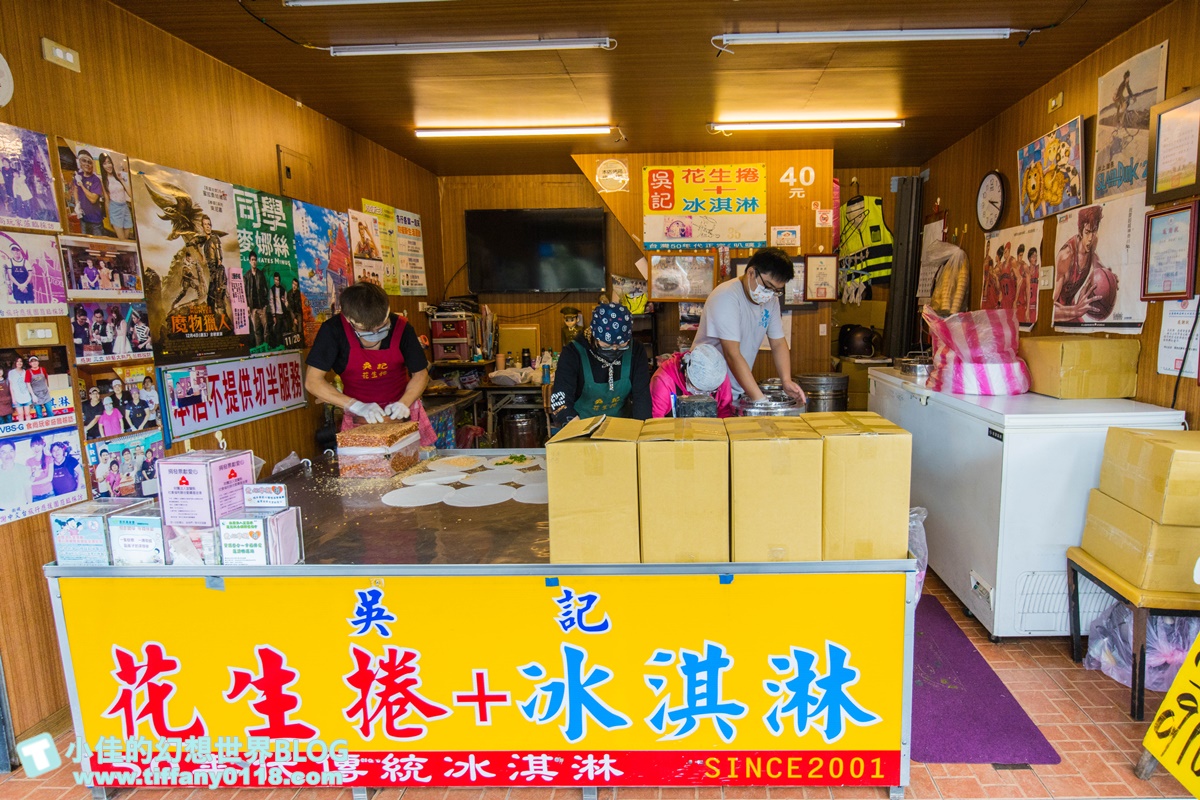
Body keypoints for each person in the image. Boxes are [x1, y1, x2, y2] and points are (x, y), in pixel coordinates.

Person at [304, 281, 429, 429]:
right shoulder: (333, 331)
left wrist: (404, 402)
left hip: (403, 413)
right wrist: (356, 406)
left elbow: (421, 374)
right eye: (366, 331)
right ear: (349, 319)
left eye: (382, 327)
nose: (376, 334)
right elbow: (313, 381)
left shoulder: (402, 327)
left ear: (387, 310)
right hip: (359, 418)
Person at [693, 247, 806, 403]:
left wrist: (786, 380)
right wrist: (759, 398)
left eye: (776, 290)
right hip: (706, 390)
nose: (770, 293)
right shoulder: (727, 296)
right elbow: (732, 354)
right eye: (767, 286)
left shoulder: (770, 301)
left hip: (736, 388)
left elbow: (778, 342)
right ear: (751, 273)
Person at [549, 303, 651, 426]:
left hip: (622, 429)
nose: (614, 349)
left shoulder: (636, 351)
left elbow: (642, 398)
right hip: (580, 428)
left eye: (621, 344)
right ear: (594, 335)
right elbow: (561, 402)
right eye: (607, 345)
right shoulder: (573, 353)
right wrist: (578, 430)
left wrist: (640, 433)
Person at [649, 343, 735, 418]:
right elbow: (656, 422)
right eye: (699, 389)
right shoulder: (663, 381)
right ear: (686, 373)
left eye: (710, 391)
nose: (704, 395)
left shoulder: (718, 376)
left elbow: (725, 413)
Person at [1054, 206, 1105, 322]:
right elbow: (1050, 308)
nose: (1090, 238)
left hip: (1073, 308)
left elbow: (1096, 262)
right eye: (1087, 232)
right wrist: (1075, 311)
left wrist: (1108, 275)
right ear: (1080, 231)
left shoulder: (1093, 243)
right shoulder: (1066, 256)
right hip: (1060, 314)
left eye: (1094, 231)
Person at [99, 152, 134, 240]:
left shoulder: (118, 177)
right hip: (114, 208)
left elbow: (130, 194)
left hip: (125, 207)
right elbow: (107, 200)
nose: (108, 165)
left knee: (126, 237)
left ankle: (125, 254)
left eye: (109, 162)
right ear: (102, 166)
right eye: (105, 163)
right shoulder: (103, 181)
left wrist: (121, 180)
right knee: (122, 239)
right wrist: (109, 217)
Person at [72, 150, 106, 237]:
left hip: (95, 221)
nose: (87, 164)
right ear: (80, 162)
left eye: (89, 162)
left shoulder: (96, 180)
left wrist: (81, 185)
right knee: (86, 245)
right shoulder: (78, 176)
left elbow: (93, 199)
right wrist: (77, 203)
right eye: (84, 161)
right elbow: (75, 188)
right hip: (83, 219)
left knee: (99, 246)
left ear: (92, 165)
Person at [244, 251, 268, 348]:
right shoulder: (246, 276)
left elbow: (266, 289)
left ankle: (267, 348)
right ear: (249, 261)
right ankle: (259, 349)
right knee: (256, 331)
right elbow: (245, 293)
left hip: (262, 307)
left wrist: (265, 305)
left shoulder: (260, 274)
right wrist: (247, 306)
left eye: (255, 260)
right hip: (253, 308)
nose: (254, 262)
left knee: (266, 330)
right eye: (252, 260)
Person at [0, 441, 31, 510]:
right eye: (4, 452)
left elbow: (28, 489)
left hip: (22, 508)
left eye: (11, 451)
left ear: (15, 452)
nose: (8, 455)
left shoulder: (23, 469)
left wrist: (30, 506)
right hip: (3, 511)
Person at [26, 435, 54, 502]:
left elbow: (50, 478)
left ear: (43, 445)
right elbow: (29, 479)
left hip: (49, 493)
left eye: (38, 445)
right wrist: (33, 475)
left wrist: (32, 484)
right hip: (35, 496)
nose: (36, 448)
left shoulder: (49, 458)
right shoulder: (28, 461)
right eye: (33, 446)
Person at [24, 355, 52, 419]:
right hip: (36, 394)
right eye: (32, 361)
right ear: (30, 363)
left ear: (38, 362)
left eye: (35, 361)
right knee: (39, 414)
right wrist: (33, 395)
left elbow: (45, 378)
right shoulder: (28, 372)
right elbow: (28, 384)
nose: (34, 363)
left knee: (50, 411)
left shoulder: (43, 369)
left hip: (45, 393)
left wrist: (47, 387)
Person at [267, 272, 287, 348]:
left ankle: (284, 345)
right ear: (273, 280)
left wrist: (285, 303)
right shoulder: (272, 289)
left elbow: (286, 301)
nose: (276, 281)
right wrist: (273, 315)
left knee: (285, 329)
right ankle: (279, 346)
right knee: (277, 331)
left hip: (283, 313)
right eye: (275, 280)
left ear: (279, 280)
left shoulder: (283, 289)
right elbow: (271, 302)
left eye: (278, 280)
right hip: (277, 313)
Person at [8, 355, 30, 423]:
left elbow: (28, 384)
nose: (19, 363)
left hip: (26, 396)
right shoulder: (11, 373)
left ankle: (29, 428)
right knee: (20, 415)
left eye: (21, 361)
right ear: (15, 363)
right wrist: (13, 398)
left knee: (27, 414)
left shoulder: (25, 372)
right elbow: (11, 386)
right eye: (17, 361)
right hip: (17, 397)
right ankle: (23, 430)